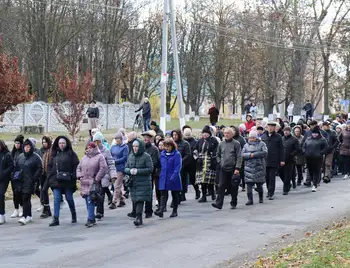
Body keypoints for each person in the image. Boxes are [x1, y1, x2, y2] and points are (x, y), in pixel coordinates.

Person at [48, 136, 79, 227]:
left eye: (63, 143)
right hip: (56, 180)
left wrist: (73, 176)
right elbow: (49, 166)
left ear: (66, 144)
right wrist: (50, 177)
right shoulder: (54, 154)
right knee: (57, 199)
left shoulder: (71, 154)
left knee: (69, 198)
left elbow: (76, 165)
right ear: (57, 144)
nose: (62, 145)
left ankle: (73, 214)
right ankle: (56, 218)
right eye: (60, 143)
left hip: (68, 181)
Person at [77, 142, 108, 228]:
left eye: (90, 147)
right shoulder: (84, 157)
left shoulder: (100, 157)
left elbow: (103, 168)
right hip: (84, 182)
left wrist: (97, 178)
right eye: (88, 148)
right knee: (87, 200)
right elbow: (78, 168)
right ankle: (92, 217)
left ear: (94, 148)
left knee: (91, 199)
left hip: (93, 182)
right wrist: (79, 176)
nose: (89, 149)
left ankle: (90, 219)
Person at [125, 139, 153, 227]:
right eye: (133, 146)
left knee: (140, 200)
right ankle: (138, 217)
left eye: (136, 146)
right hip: (133, 182)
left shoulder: (146, 156)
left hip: (143, 182)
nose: (135, 148)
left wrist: (138, 171)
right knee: (135, 200)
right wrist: (130, 171)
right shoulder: (130, 156)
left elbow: (150, 169)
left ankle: (138, 218)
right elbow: (126, 168)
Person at [212, 128, 242, 210]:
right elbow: (217, 154)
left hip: (233, 168)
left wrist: (237, 168)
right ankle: (219, 203)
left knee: (233, 186)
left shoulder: (236, 144)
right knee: (221, 185)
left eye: (228, 133)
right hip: (223, 168)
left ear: (232, 134)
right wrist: (219, 162)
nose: (226, 135)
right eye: (225, 133)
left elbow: (239, 156)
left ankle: (233, 202)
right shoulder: (221, 144)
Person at [15, 139, 43, 225]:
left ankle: (24, 216)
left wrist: (34, 178)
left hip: (30, 181)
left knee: (26, 198)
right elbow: (16, 167)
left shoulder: (36, 157)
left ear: (31, 147)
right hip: (20, 181)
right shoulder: (21, 156)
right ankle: (29, 215)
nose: (26, 148)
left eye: (28, 147)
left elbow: (40, 168)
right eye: (25, 147)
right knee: (23, 198)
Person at [155, 138, 182, 218]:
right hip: (164, 177)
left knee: (174, 194)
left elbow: (178, 167)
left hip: (173, 177)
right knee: (163, 194)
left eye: (168, 146)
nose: (166, 148)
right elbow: (159, 165)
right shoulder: (162, 154)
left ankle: (175, 211)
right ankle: (161, 209)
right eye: (165, 146)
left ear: (172, 146)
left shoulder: (177, 154)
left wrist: (173, 177)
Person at [93, 132, 117, 219]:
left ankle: (99, 212)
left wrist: (113, 175)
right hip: (95, 176)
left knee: (101, 194)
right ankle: (109, 196)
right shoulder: (92, 151)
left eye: (98, 141)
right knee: (96, 193)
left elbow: (111, 163)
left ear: (101, 141)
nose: (96, 143)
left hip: (104, 175)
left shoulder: (106, 151)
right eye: (95, 141)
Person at [241, 130, 267, 205]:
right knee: (249, 184)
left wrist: (254, 155)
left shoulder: (262, 144)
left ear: (256, 137)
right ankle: (250, 199)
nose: (251, 139)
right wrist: (249, 155)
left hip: (259, 166)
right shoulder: (246, 145)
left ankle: (261, 197)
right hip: (248, 167)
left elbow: (264, 152)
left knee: (259, 184)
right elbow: (242, 154)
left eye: (253, 137)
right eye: (250, 137)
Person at [261, 122, 285, 200]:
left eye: (272, 127)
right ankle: (268, 190)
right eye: (269, 127)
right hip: (265, 160)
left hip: (274, 159)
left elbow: (282, 149)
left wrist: (282, 160)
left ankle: (271, 192)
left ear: (275, 128)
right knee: (267, 177)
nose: (270, 128)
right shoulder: (263, 136)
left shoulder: (278, 137)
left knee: (272, 177)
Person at [195, 126, 219, 202]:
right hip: (201, 162)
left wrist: (214, 158)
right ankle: (204, 195)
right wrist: (197, 158)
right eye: (203, 133)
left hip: (210, 161)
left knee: (210, 180)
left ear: (209, 134)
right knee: (202, 181)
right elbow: (195, 150)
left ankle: (212, 193)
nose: (205, 135)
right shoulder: (200, 141)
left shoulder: (213, 140)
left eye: (206, 133)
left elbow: (217, 150)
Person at [141, 131, 160, 218]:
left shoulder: (154, 149)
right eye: (144, 137)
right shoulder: (141, 148)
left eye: (147, 137)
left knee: (149, 192)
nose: (145, 139)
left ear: (150, 139)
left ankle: (148, 211)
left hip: (150, 174)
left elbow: (155, 162)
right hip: (140, 174)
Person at [303, 126, 328, 192]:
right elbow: (304, 146)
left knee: (316, 171)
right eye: (313, 133)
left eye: (316, 133)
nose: (314, 134)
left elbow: (326, 147)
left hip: (318, 158)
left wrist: (321, 153)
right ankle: (313, 181)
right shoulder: (308, 139)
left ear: (318, 133)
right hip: (309, 158)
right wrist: (304, 152)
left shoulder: (322, 139)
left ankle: (315, 184)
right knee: (310, 171)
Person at [171, 129, 191, 202]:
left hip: (182, 165)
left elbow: (188, 155)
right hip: (173, 165)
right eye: (173, 135)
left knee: (181, 181)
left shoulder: (185, 143)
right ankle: (177, 197)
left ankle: (181, 195)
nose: (174, 136)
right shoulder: (172, 143)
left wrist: (180, 161)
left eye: (176, 135)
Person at [110, 133, 128, 209]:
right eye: (116, 140)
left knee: (117, 185)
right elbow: (110, 155)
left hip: (120, 168)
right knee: (116, 185)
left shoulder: (125, 147)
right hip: (113, 168)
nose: (117, 141)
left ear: (121, 139)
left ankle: (114, 202)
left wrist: (116, 161)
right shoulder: (113, 147)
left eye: (118, 140)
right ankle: (122, 199)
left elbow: (125, 158)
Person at [279, 127, 300, 194]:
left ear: (290, 131)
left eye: (287, 131)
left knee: (287, 175)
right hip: (281, 159)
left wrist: (291, 155)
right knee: (281, 173)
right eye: (285, 130)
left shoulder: (294, 139)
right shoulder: (281, 139)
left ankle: (285, 190)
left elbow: (298, 149)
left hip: (290, 160)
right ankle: (288, 184)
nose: (286, 132)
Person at [36, 136, 52, 218]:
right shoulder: (40, 151)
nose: (44, 144)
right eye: (43, 142)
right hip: (42, 174)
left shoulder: (52, 151)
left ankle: (46, 209)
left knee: (44, 190)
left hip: (49, 175)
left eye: (45, 142)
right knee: (42, 190)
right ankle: (47, 209)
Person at [183, 127, 200, 199]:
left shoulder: (195, 142)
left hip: (192, 163)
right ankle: (182, 195)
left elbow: (196, 153)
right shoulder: (182, 142)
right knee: (183, 179)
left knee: (193, 179)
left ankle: (197, 191)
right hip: (184, 162)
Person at [0, 140, 14, 224]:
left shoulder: (7, 155)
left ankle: (2, 215)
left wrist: (3, 173)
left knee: (1, 195)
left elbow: (11, 166)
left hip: (4, 179)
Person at [10, 135, 24, 218]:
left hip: (21, 176)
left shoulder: (23, 153)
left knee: (20, 193)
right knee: (15, 193)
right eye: (15, 143)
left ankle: (22, 208)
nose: (17, 145)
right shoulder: (13, 153)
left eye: (18, 143)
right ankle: (16, 209)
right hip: (13, 176)